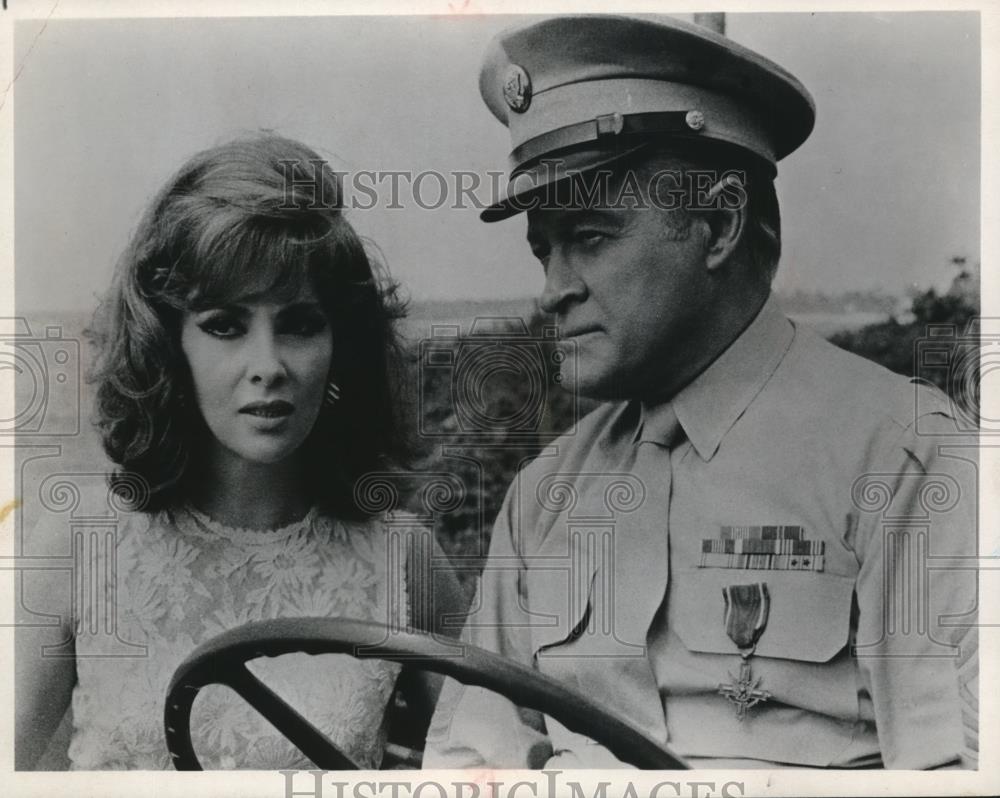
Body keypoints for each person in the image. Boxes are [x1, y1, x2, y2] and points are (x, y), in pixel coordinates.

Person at [424, 15, 978, 769]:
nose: (553, 290)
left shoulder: (905, 457)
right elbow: (470, 762)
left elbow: (954, 776)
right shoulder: (544, 498)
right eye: (544, 252)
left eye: (591, 238)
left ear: (718, 223)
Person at [15, 134, 463, 770]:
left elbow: (491, 761)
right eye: (225, 325)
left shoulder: (403, 559)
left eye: (301, 324)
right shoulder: (77, 544)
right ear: (171, 346)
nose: (269, 366)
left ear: (343, 346)